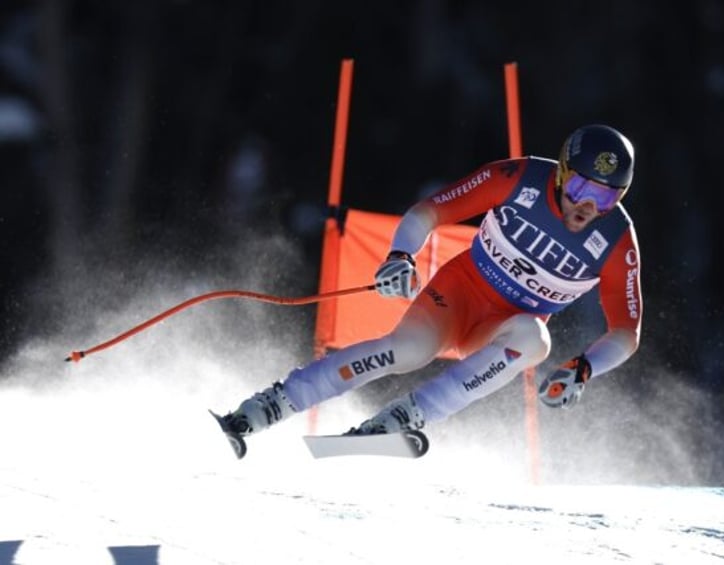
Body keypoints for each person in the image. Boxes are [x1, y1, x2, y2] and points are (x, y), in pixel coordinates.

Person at [219, 124, 643, 443]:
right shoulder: (519, 177)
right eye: (581, 186)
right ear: (561, 172)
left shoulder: (616, 241)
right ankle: (272, 404)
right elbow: (428, 213)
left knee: (536, 341)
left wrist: (585, 368)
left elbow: (626, 332)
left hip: (501, 328)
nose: (588, 205)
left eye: (607, 196)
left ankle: (408, 416)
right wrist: (400, 256)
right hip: (457, 295)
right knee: (407, 351)